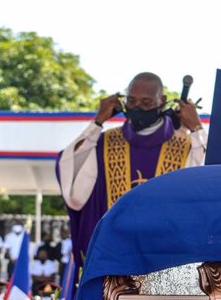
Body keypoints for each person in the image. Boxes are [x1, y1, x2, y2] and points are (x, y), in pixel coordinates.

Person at [57, 72, 207, 274]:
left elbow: (211, 184)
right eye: (132, 101)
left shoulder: (186, 146)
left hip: (168, 263)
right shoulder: (103, 144)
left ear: (161, 101)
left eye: (146, 102)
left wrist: (197, 128)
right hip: (114, 265)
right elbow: (74, 191)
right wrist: (97, 122)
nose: (137, 108)